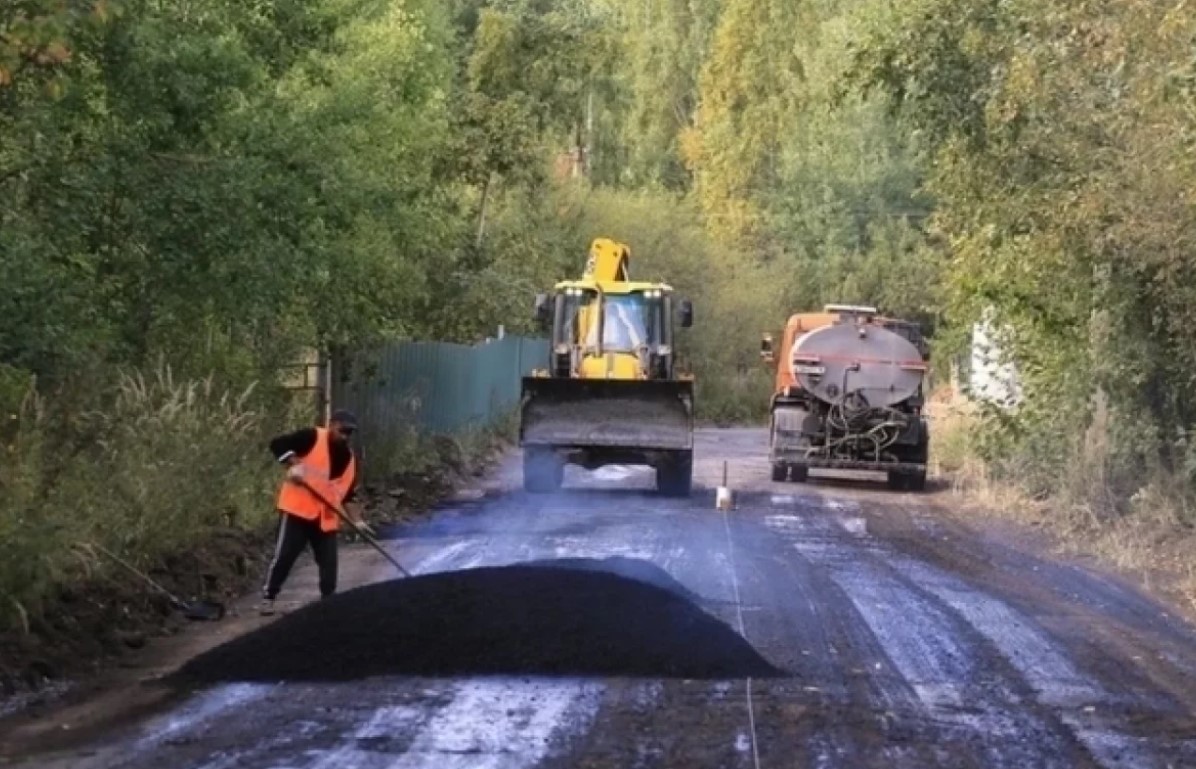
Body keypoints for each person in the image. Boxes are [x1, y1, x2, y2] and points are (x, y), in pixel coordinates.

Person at [258, 409, 372, 615]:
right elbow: (278, 444)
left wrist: (357, 521)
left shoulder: (349, 460)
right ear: (332, 425)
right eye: (342, 431)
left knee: (329, 564)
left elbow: (348, 495)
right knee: (285, 556)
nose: (345, 436)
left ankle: (328, 602)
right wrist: (294, 465)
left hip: (325, 517)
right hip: (298, 512)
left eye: (349, 433)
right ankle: (269, 597)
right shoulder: (312, 437)